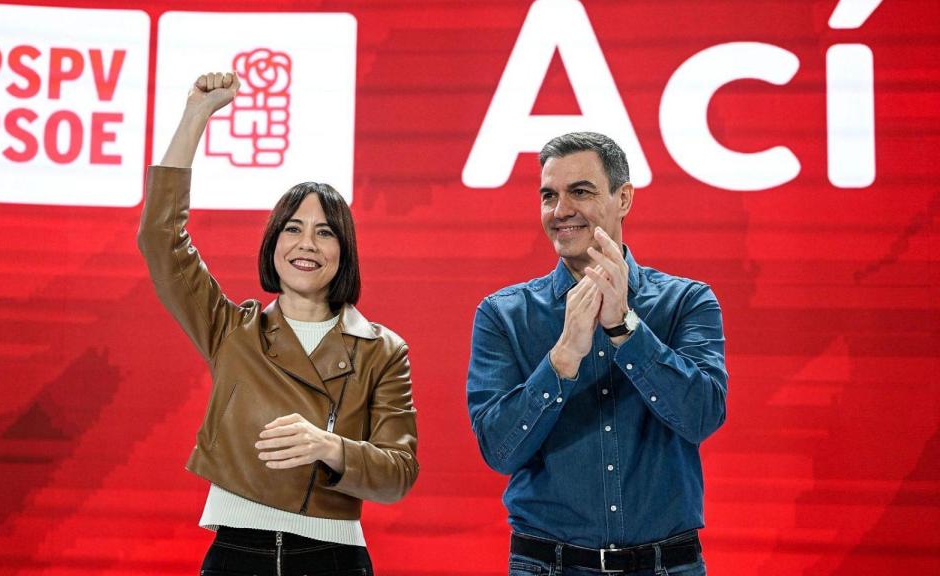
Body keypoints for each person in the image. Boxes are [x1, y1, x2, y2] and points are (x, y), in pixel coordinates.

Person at [138, 72, 418, 575]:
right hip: (235, 554)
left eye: (325, 233)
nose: (306, 244)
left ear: (345, 252)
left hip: (333, 556)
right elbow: (161, 239)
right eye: (292, 229)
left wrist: (328, 446)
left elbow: (398, 473)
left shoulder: (382, 350)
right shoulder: (230, 329)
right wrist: (196, 115)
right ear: (272, 246)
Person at [466, 132, 727, 575]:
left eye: (580, 192)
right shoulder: (503, 315)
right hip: (549, 565)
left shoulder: (687, 302)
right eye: (549, 196)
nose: (560, 210)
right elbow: (499, 452)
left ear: (623, 198)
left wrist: (626, 329)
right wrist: (562, 360)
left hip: (666, 565)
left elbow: (702, 416)